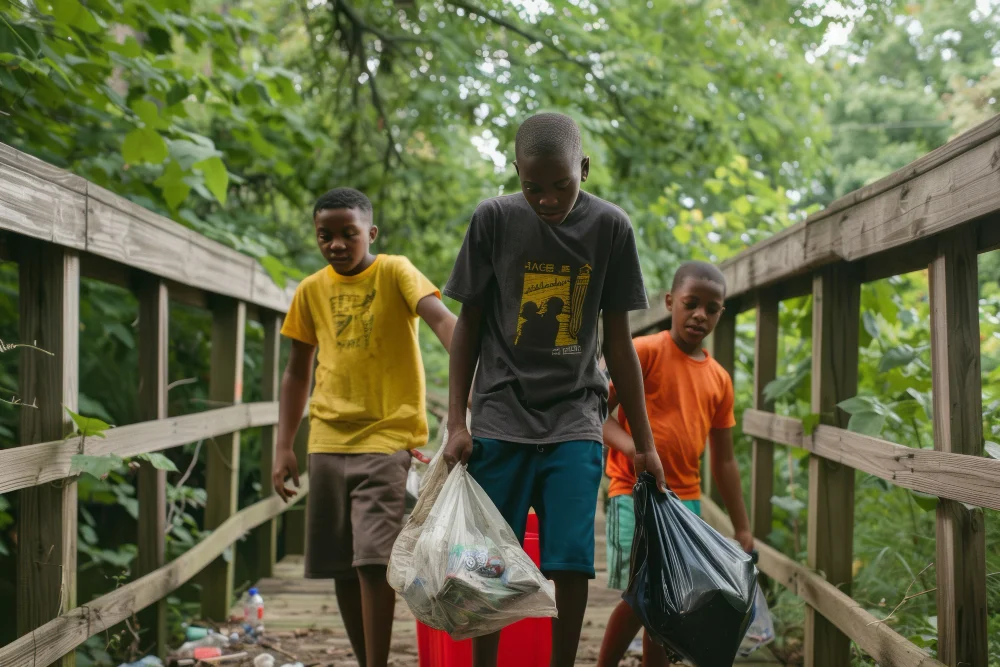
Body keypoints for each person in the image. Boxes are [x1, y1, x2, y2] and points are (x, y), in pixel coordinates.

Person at [440, 112, 667, 667]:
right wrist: (456, 422)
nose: (546, 198)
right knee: (488, 560)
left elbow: (619, 344)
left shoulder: (610, 228)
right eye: (532, 186)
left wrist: (645, 443)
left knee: (570, 560)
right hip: (499, 414)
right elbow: (468, 323)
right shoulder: (493, 219)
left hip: (574, 416)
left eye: (560, 184)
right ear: (515, 172)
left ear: (583, 169)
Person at [272, 187, 456, 667]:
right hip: (328, 438)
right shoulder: (311, 290)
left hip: (387, 436)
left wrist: (477, 374)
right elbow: (296, 371)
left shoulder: (395, 271)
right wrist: (283, 445)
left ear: (370, 233)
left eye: (347, 234)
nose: (336, 244)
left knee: (374, 562)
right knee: (340, 565)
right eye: (324, 236)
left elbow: (441, 321)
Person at [596, 260, 754, 667]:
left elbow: (725, 461)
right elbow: (593, 413)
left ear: (721, 313)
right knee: (640, 596)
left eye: (712, 308)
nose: (700, 314)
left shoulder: (719, 379)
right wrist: (634, 449)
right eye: (691, 303)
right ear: (670, 302)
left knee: (668, 604)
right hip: (634, 494)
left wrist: (741, 527)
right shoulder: (643, 352)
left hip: (686, 503)